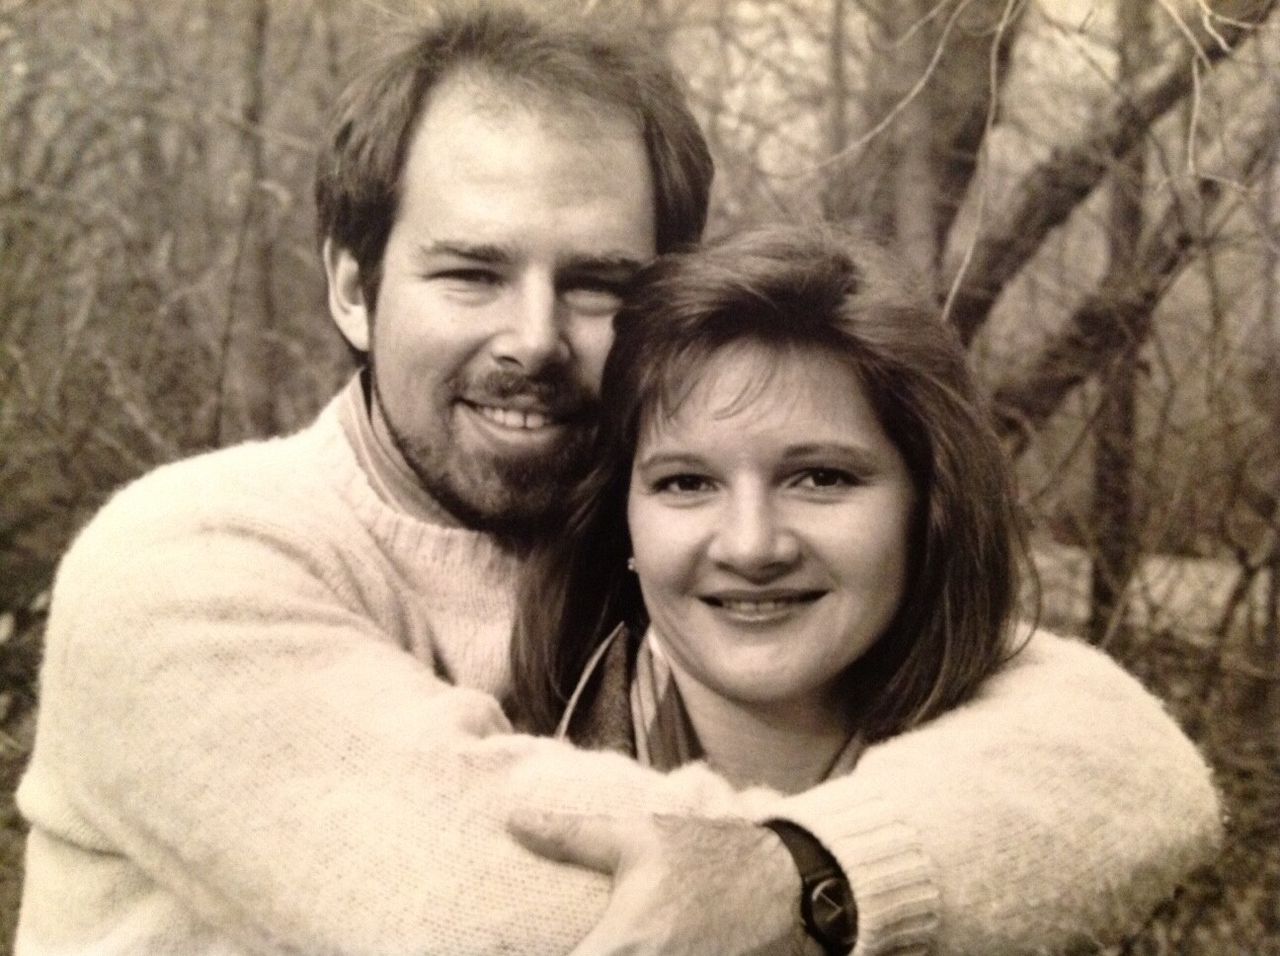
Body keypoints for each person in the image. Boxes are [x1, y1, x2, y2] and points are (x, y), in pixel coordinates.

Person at [15, 5, 1220, 956]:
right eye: (471, 272)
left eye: (596, 282)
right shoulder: (188, 559)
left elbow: (1123, 759)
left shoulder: (655, 539)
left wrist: (807, 869)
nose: (534, 336)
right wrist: (814, 883)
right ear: (350, 285)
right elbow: (503, 917)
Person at [510, 225, 1023, 795]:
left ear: (930, 506)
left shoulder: (1049, 790)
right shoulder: (492, 788)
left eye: (821, 478)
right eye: (687, 483)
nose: (750, 548)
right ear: (623, 519)